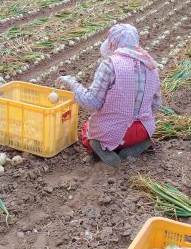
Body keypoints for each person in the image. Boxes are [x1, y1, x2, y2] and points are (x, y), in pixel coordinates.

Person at [57, 24, 162, 166]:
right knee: (135, 128)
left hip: (113, 133)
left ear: (114, 42)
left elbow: (93, 103)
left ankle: (101, 147)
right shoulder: (151, 65)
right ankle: (141, 143)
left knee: (87, 128)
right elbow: (155, 105)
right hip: (143, 130)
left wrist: (73, 84)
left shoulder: (110, 64)